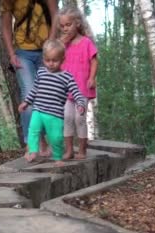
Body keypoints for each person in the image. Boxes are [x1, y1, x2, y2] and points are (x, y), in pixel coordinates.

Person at [1, 0, 58, 157]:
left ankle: (43, 141)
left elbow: (55, 15)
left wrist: (51, 46)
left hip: (46, 52)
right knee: (29, 95)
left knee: (46, 96)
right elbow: (5, 26)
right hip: (22, 52)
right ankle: (31, 143)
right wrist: (11, 53)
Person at [18, 40, 87, 166]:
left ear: (62, 59)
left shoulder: (67, 77)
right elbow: (34, 89)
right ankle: (33, 151)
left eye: (55, 60)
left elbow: (76, 92)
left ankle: (57, 157)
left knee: (56, 137)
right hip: (38, 110)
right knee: (33, 130)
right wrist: (26, 102)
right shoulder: (41, 72)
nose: (51, 64)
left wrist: (80, 103)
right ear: (43, 58)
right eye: (47, 60)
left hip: (55, 115)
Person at [57, 6, 98, 160]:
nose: (65, 29)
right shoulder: (63, 44)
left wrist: (92, 78)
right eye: (62, 26)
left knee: (79, 118)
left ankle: (82, 150)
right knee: (67, 117)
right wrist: (60, 43)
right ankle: (68, 151)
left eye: (69, 25)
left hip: (82, 88)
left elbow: (94, 61)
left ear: (78, 24)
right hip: (66, 90)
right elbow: (52, 58)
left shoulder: (86, 42)